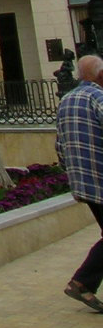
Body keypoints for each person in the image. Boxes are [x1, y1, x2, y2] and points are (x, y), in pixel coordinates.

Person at [57, 53, 103, 313]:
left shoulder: (67, 99)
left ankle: (83, 283)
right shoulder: (97, 97)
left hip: (83, 184)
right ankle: (82, 283)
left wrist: (73, 172)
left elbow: (59, 144)